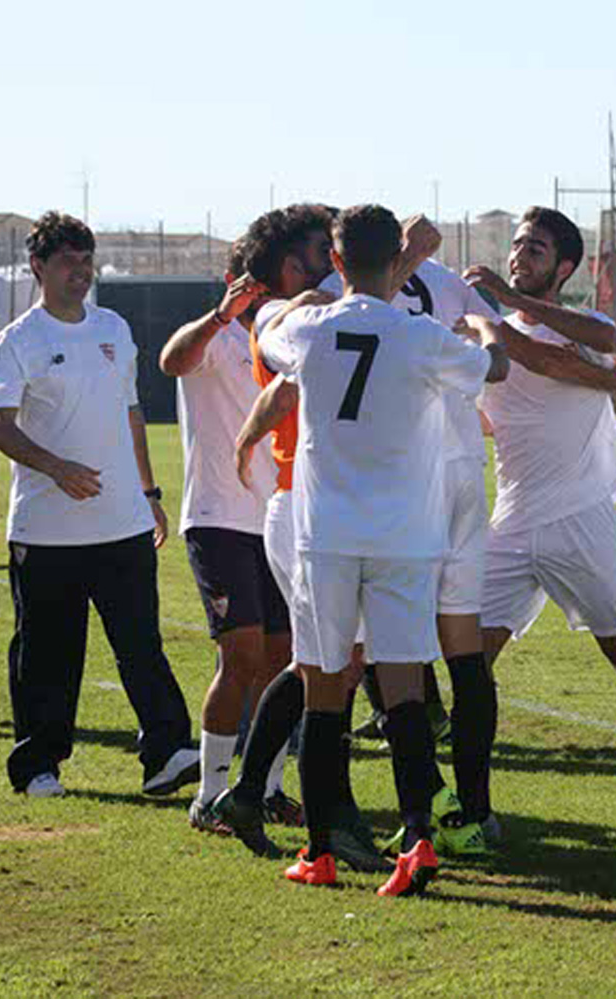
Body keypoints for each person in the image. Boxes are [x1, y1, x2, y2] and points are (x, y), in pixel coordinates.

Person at [257, 204, 508, 893]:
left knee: (324, 682)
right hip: (405, 534)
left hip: (329, 536)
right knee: (403, 688)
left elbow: (269, 334)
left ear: (336, 262)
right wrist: (485, 326)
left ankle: (320, 852)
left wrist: (312, 298)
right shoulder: (420, 335)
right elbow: (493, 368)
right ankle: (418, 840)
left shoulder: (310, 326)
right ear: (396, 257)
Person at [461, 207, 616, 846]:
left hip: (581, 517)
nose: (520, 254)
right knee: (472, 661)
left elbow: (596, 341)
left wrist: (496, 310)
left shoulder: (578, 328)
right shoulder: (488, 328)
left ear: (563, 267)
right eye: (517, 244)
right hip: (512, 518)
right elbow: (534, 365)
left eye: (537, 247)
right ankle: (473, 812)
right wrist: (600, 381)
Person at [0, 211, 198, 797]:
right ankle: (37, 766)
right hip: (46, 532)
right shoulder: (18, 340)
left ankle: (168, 753)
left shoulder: (114, 329)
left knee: (142, 645)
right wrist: (56, 467)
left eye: (86, 260)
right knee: (47, 656)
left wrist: (149, 493)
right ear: (38, 268)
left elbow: (131, 413)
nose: (80, 271)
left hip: (123, 524)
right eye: (67, 261)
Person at [158, 240, 298, 834]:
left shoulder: (284, 340)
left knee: (281, 659)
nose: (259, 288)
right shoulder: (214, 338)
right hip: (218, 520)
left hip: (273, 519)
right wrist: (220, 312)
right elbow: (170, 360)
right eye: (249, 277)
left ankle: (265, 788)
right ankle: (209, 796)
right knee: (238, 658)